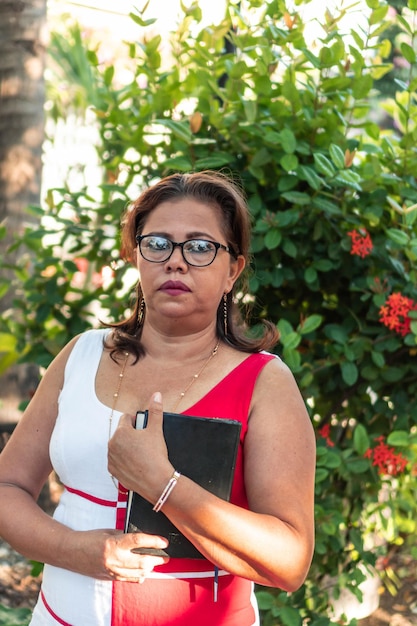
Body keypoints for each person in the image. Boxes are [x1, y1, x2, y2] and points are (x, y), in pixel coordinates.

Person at [0, 171, 316, 626]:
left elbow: (289, 562)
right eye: (158, 243)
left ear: (233, 271)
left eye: (201, 246)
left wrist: (161, 483)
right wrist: (79, 551)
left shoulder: (263, 382)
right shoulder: (81, 355)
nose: (176, 261)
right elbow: (8, 488)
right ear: (138, 258)